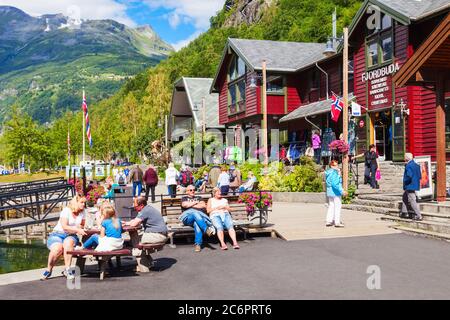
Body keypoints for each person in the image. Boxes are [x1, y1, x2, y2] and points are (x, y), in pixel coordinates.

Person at [41, 195, 87, 280]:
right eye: (81, 202)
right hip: (58, 234)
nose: (83, 204)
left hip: (71, 235)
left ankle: (67, 269)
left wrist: (80, 227)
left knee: (68, 243)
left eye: (84, 202)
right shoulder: (66, 210)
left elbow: (82, 225)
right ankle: (49, 269)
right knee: (57, 249)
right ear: (75, 202)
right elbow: (64, 226)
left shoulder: (83, 212)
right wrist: (77, 229)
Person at [180, 185, 216, 252]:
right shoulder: (184, 198)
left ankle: (198, 244)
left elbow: (203, 205)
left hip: (198, 220)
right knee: (195, 213)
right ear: (187, 191)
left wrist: (191, 204)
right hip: (188, 218)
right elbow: (185, 205)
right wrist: (196, 202)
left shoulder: (199, 197)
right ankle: (206, 229)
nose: (193, 191)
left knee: (197, 224)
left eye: (194, 190)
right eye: (190, 190)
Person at [400, 153, 422, 220]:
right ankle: (404, 212)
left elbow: (409, 176)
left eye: (404, 157)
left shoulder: (408, 165)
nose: (404, 158)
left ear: (406, 158)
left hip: (409, 185)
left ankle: (418, 215)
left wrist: (405, 181)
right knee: (405, 197)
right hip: (414, 185)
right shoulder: (417, 165)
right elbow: (420, 176)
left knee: (412, 200)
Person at [325, 160, 347, 228]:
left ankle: (329, 220)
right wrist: (342, 191)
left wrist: (339, 173)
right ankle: (337, 222)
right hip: (336, 192)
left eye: (337, 165)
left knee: (331, 206)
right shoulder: (334, 173)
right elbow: (335, 184)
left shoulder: (328, 172)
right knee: (337, 206)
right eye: (335, 165)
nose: (337, 166)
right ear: (331, 166)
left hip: (330, 191)